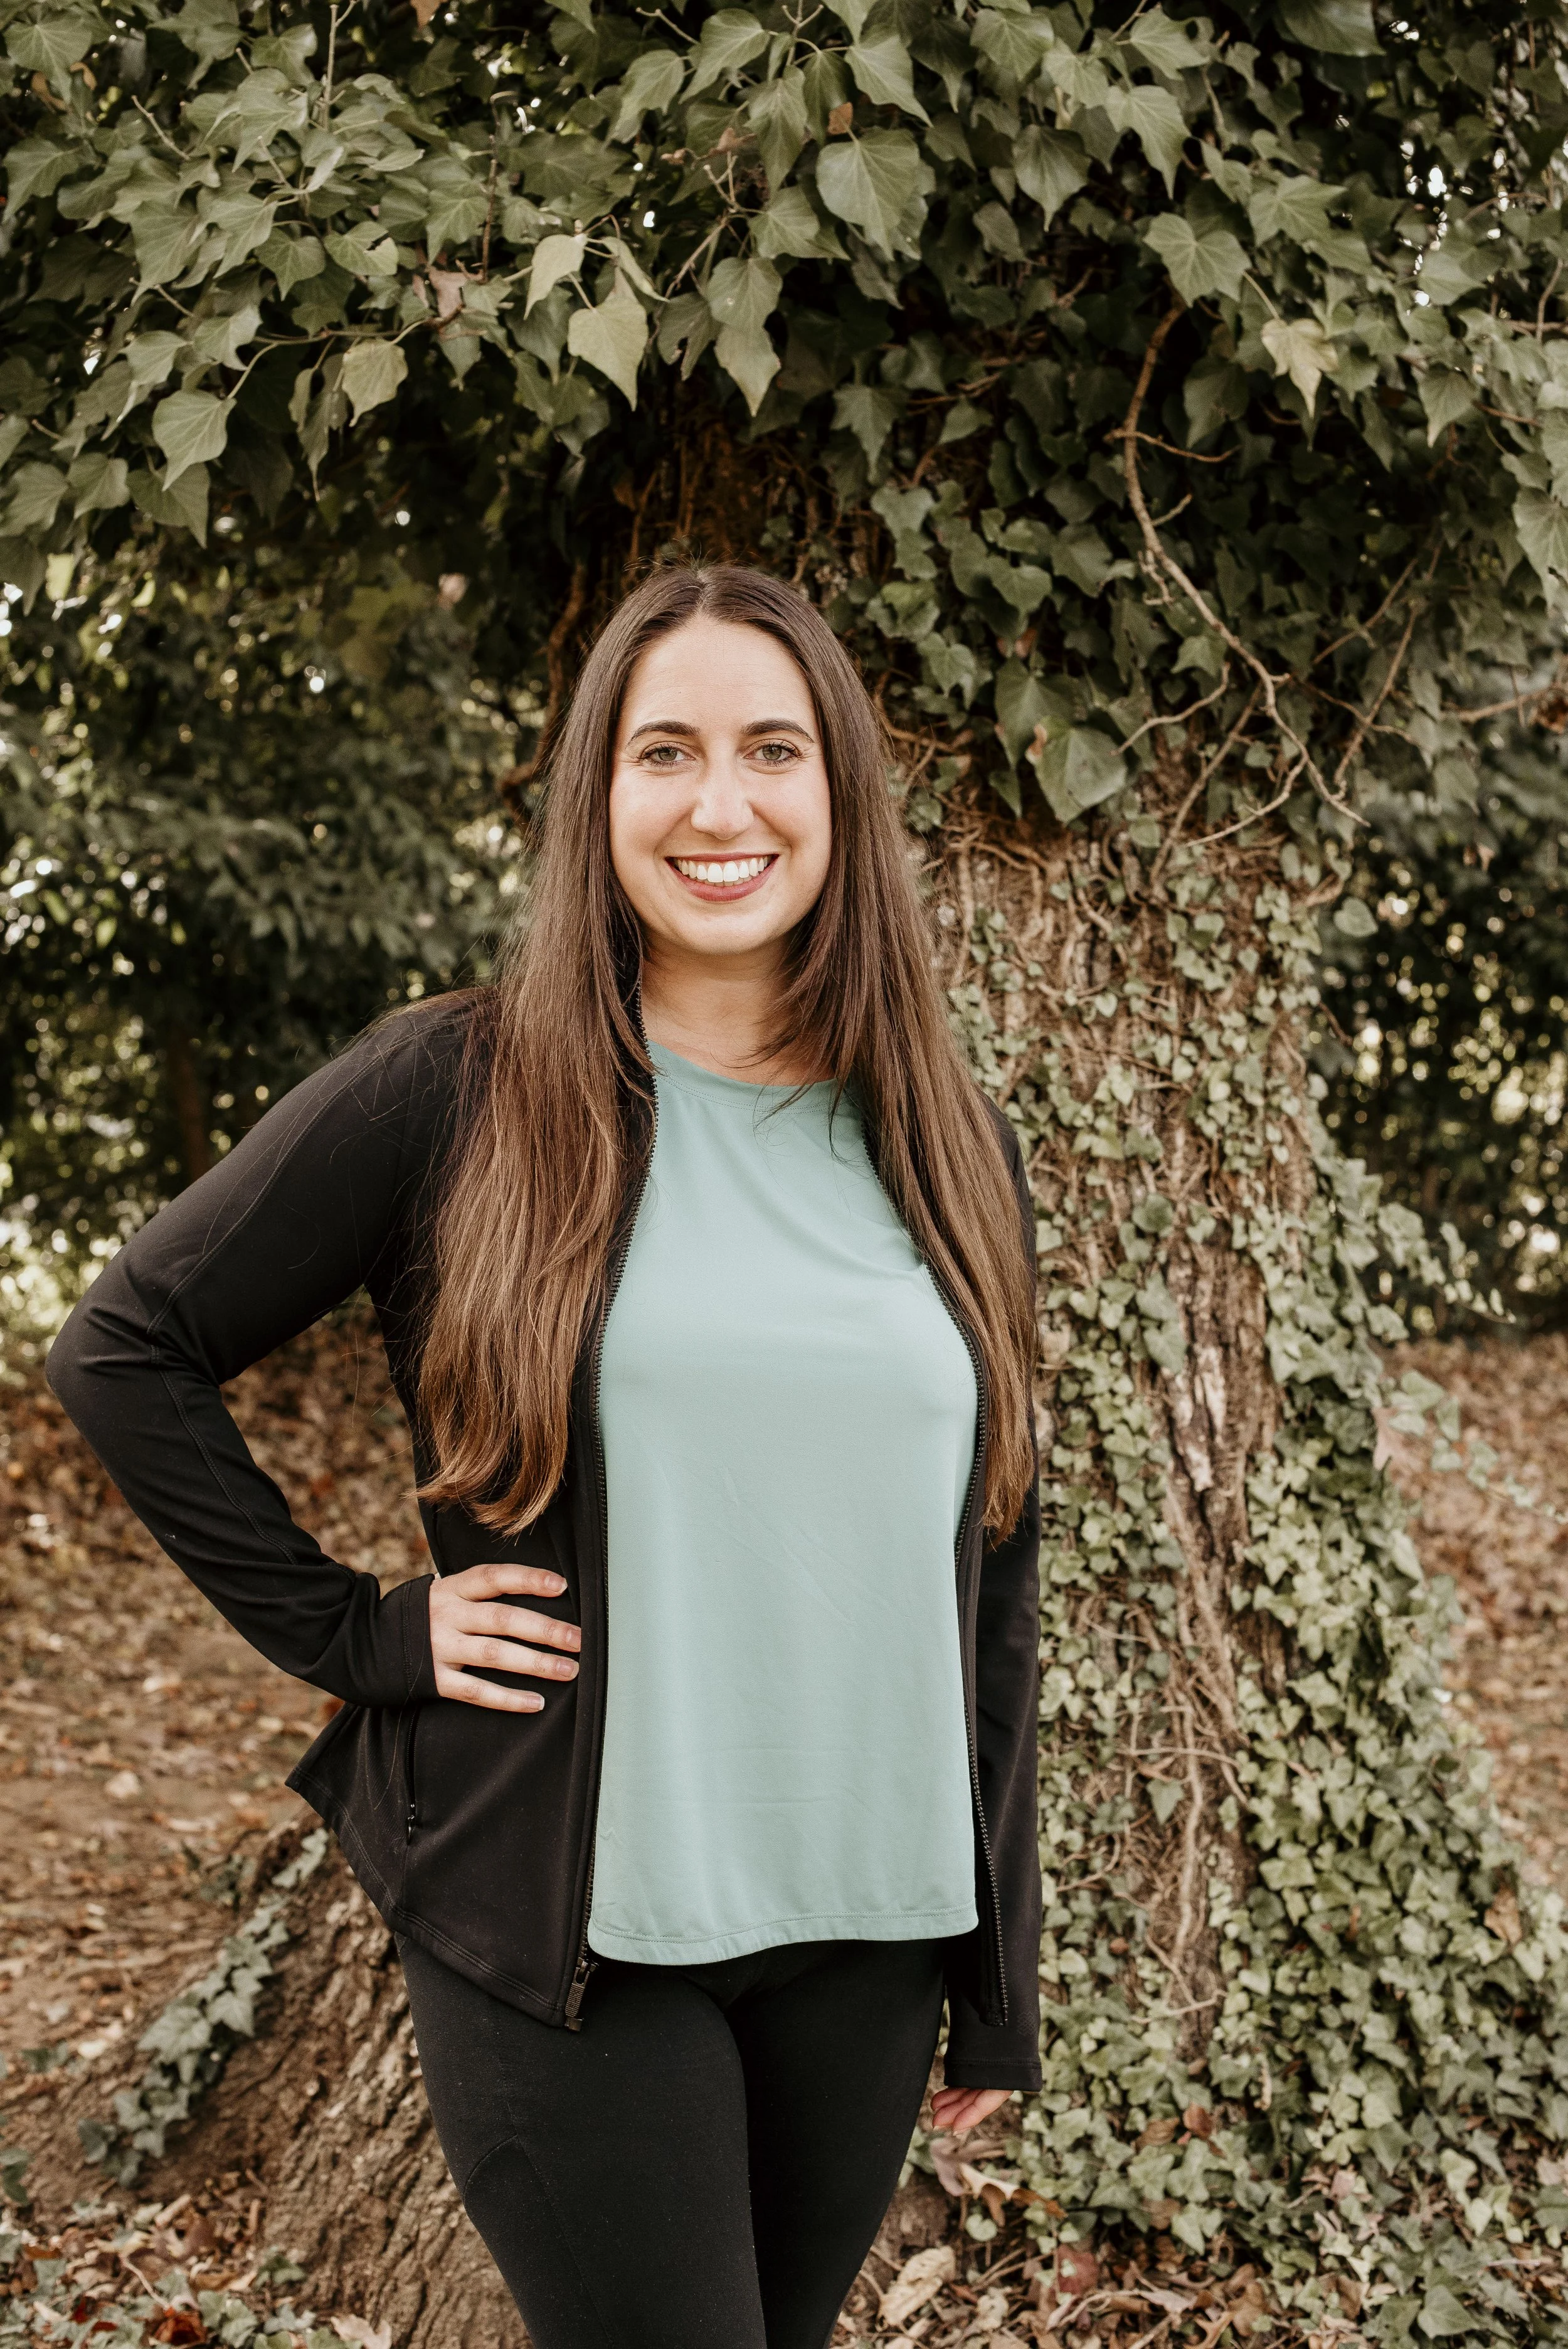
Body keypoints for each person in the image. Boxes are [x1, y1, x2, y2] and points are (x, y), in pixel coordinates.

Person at [47, 565, 1043, 2349]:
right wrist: (355, 1633)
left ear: (840, 793)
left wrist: (998, 1967)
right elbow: (126, 1346)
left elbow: (991, 1565)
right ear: (597, 791)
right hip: (582, 1940)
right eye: (666, 751)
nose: (721, 805)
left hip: (874, 1933)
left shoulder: (944, 1140)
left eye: (773, 750)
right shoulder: (461, 1088)